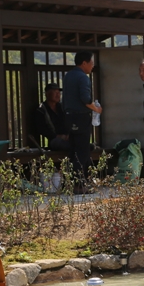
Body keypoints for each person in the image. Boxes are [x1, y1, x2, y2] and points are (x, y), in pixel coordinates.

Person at [62, 51, 101, 189]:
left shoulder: (68, 76)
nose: (92, 66)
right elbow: (85, 99)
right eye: (91, 63)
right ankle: (79, 184)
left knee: (73, 151)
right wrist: (96, 109)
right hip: (80, 117)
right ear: (84, 63)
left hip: (68, 117)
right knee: (83, 152)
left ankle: (71, 183)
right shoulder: (83, 77)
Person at [32, 82, 70, 151]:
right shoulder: (41, 110)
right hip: (54, 140)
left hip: (67, 138)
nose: (58, 95)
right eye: (55, 92)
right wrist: (57, 136)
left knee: (82, 143)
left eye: (59, 93)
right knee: (64, 145)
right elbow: (41, 129)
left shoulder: (62, 107)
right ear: (47, 94)